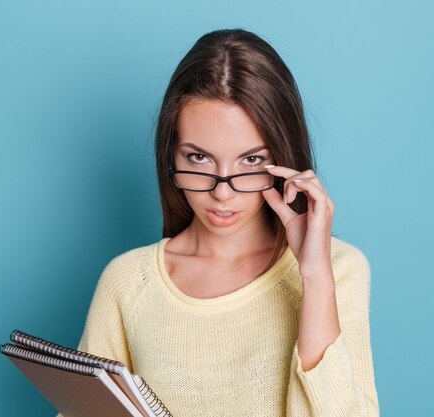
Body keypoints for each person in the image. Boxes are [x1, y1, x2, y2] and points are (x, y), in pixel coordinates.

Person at [58, 28, 379, 417]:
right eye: (198, 158)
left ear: (283, 158)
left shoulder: (339, 271)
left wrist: (314, 277)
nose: (222, 192)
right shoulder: (128, 283)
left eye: (251, 161)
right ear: (171, 154)